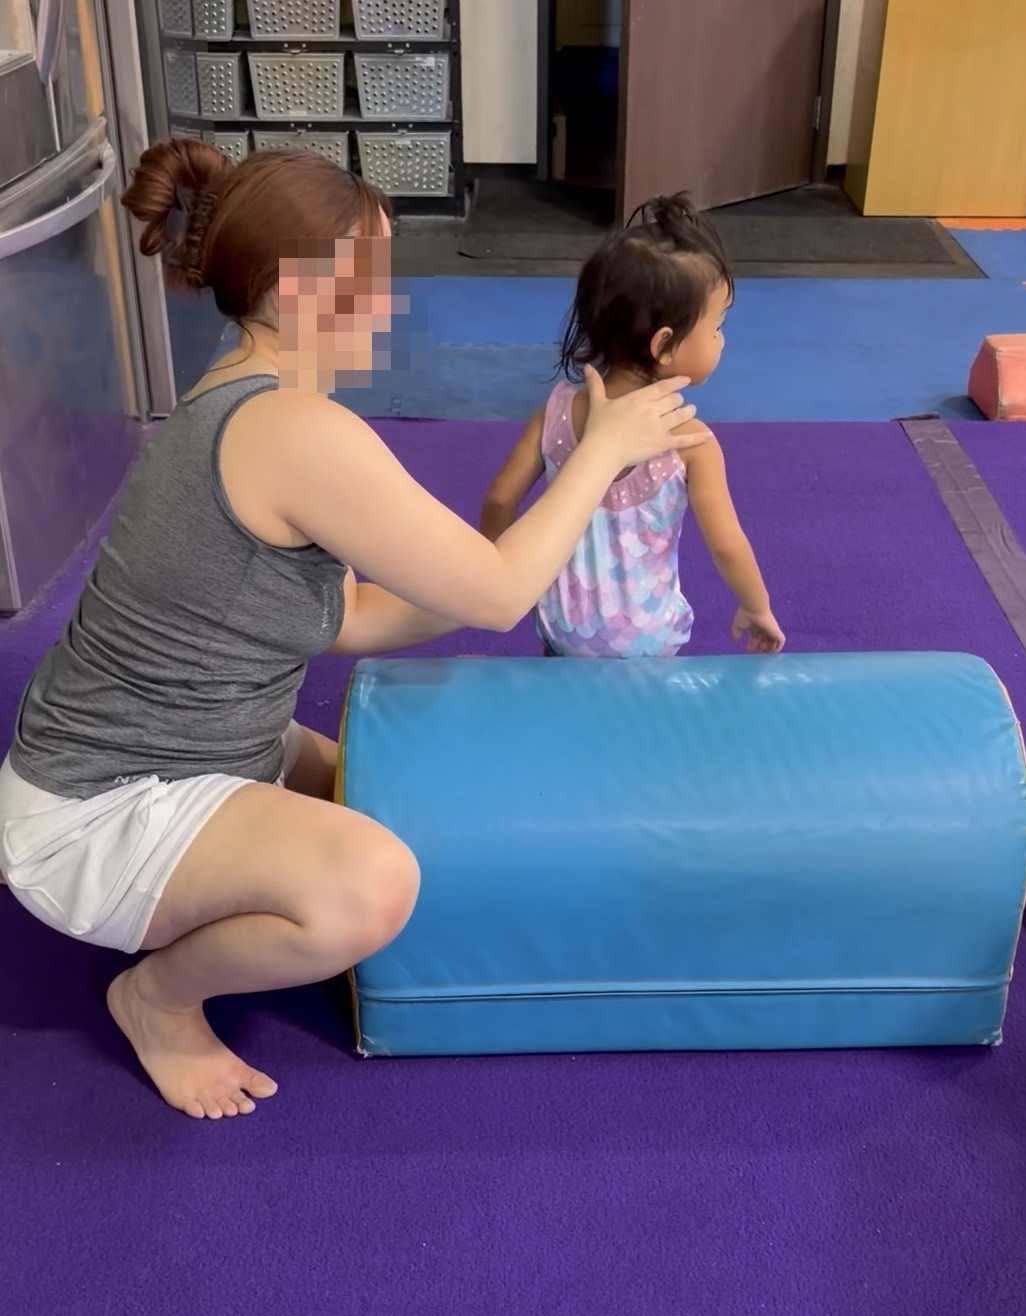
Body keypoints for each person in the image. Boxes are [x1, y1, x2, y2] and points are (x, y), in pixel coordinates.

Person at [0, 140, 707, 1120]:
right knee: (373, 884)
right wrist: (600, 456)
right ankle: (156, 998)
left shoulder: (239, 395)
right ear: (298, 290)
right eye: (371, 278)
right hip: (97, 809)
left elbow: (352, 614)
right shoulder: (296, 432)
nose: (386, 303)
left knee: (398, 798)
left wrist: (504, 554)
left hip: (193, 738)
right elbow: (499, 597)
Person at [479, 193, 785, 659]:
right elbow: (725, 542)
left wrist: (495, 574)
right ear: (665, 345)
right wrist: (756, 607)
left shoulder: (558, 412)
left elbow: (501, 498)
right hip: (646, 639)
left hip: (562, 626)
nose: (722, 340)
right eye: (717, 326)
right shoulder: (690, 441)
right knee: (639, 724)